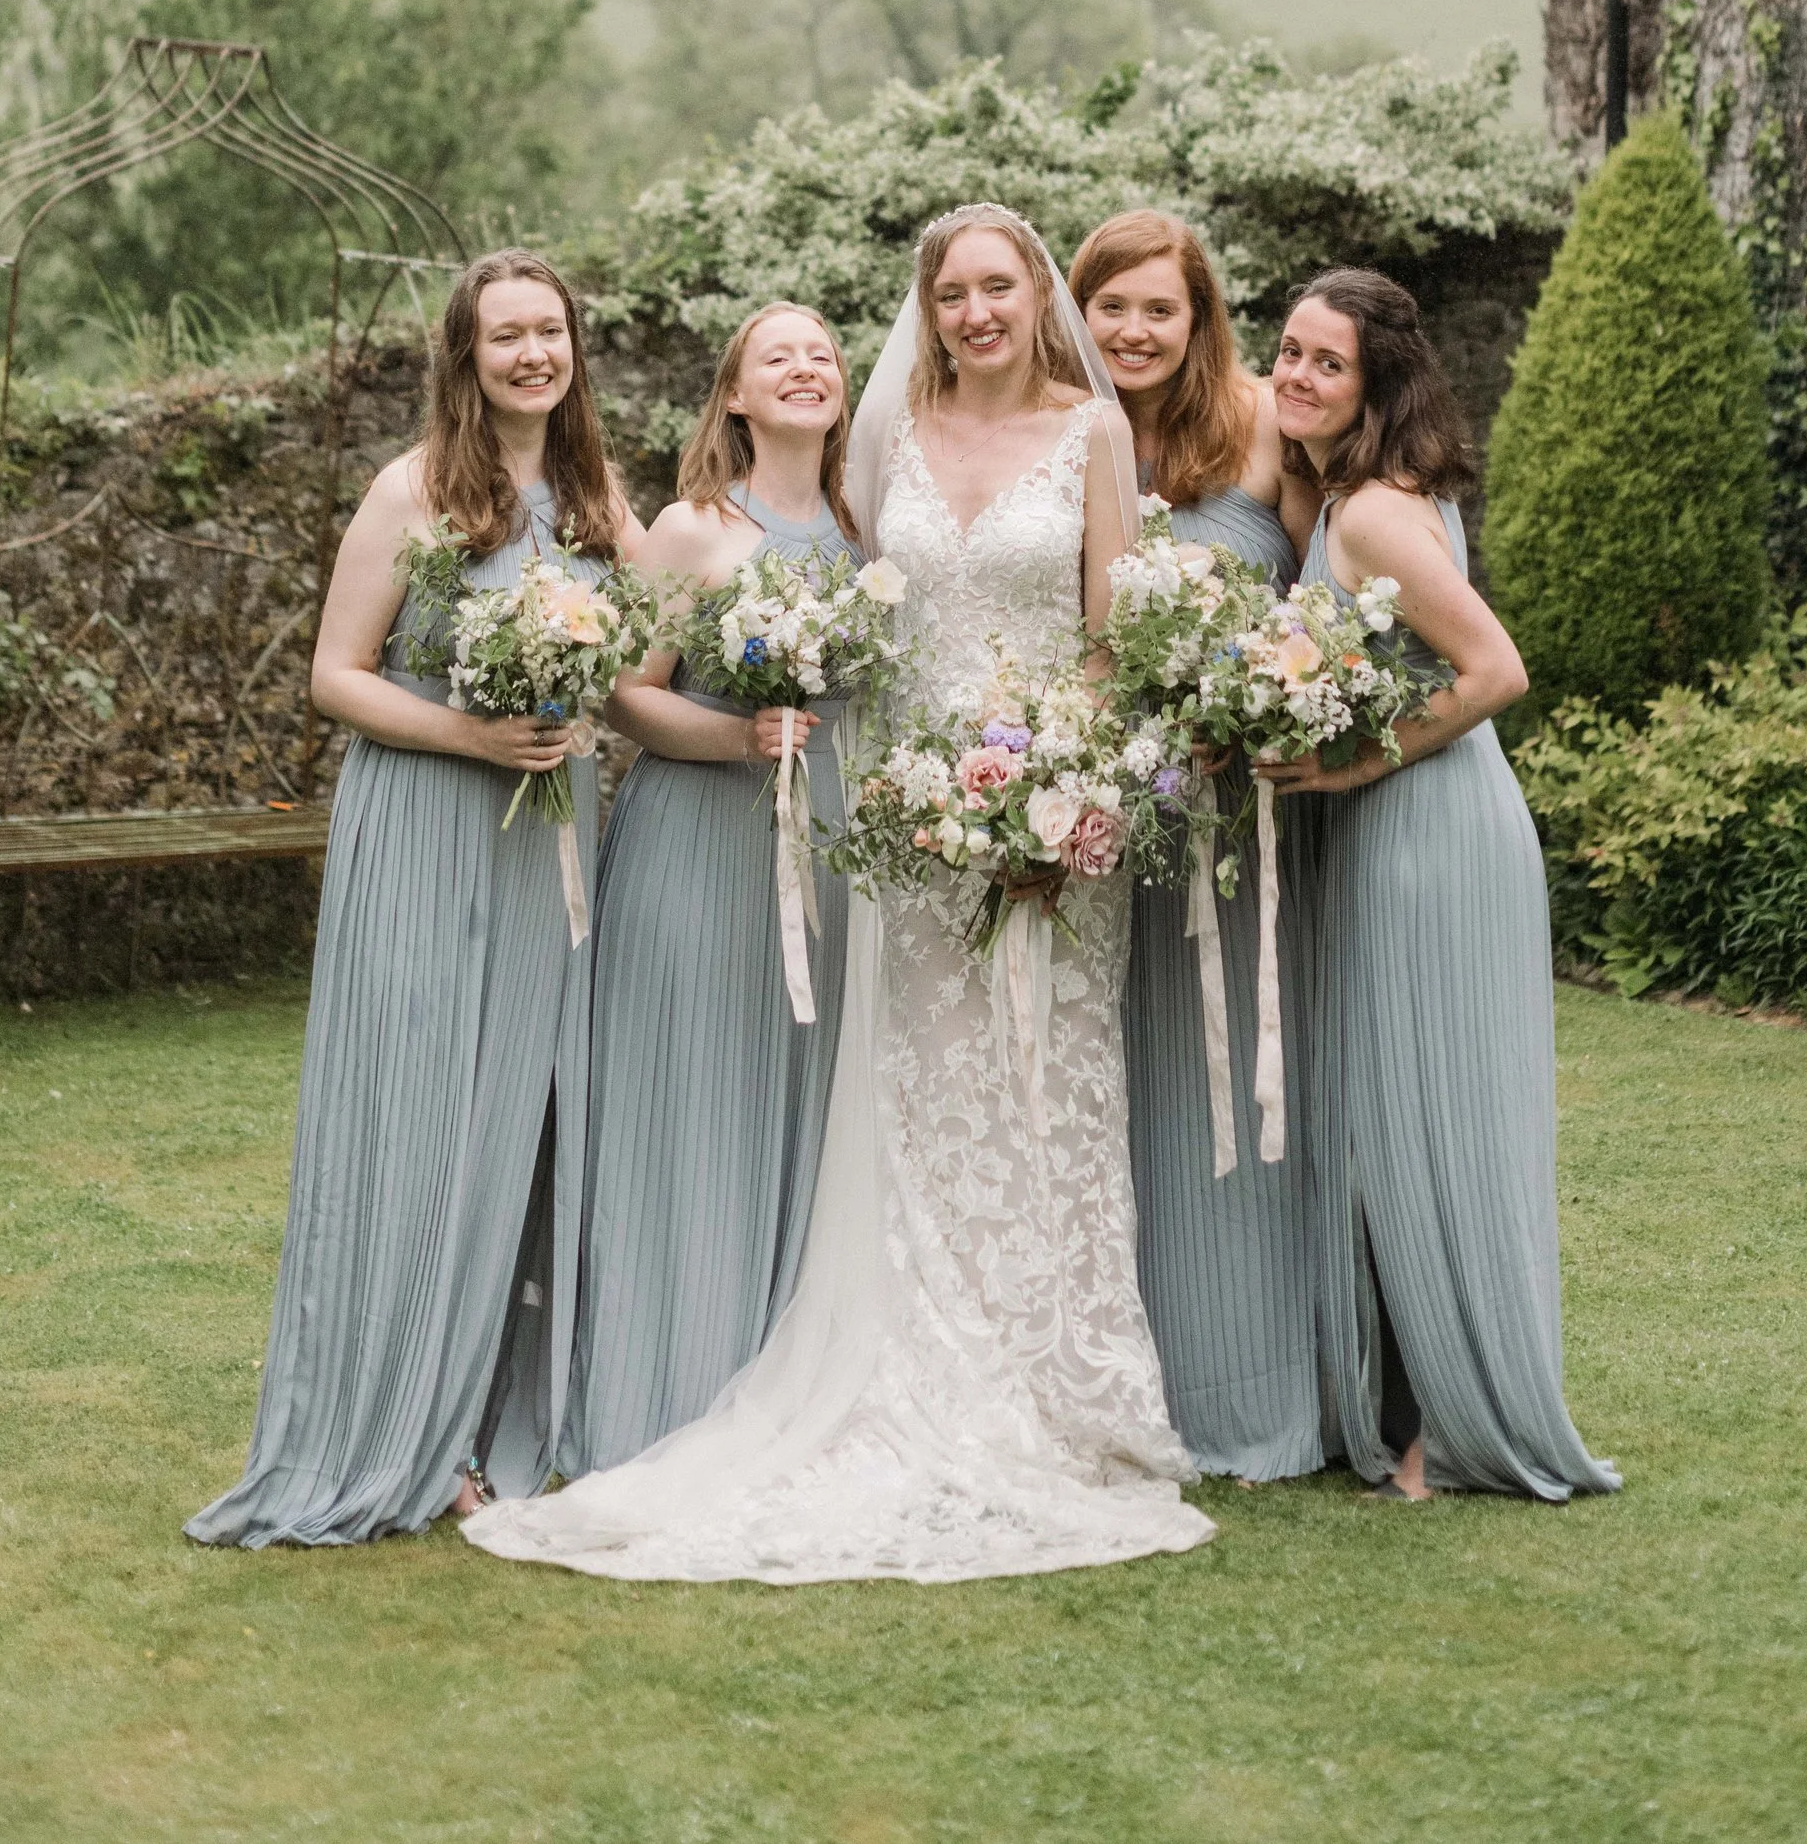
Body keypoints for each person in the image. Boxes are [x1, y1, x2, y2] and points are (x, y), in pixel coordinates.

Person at [466, 202, 1213, 1584]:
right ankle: (909, 1361)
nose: (978, 312)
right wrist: (939, 789)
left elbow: (1113, 642)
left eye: (1001, 288)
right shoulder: (894, 443)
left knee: (1053, 1085)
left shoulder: (1094, 435)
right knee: (911, 1097)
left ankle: (1064, 1392)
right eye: (955, 293)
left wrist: (1046, 781)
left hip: (1042, 821)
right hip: (901, 818)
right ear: (926, 309)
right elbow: (825, 588)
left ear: (1037, 296)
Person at [185, 249, 642, 1547]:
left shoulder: (598, 493)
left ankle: (479, 1417)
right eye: (506, 335)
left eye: (549, 331)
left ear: (574, 347)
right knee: (417, 1119)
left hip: (550, 842)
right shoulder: (414, 487)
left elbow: (652, 642)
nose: (531, 354)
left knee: (514, 1128)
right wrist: (474, 735)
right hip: (431, 827)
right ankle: (387, 1425)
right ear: (465, 353)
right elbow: (337, 674)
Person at [1268, 266, 1618, 1507]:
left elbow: (1494, 668)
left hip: (1429, 832)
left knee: (1420, 1120)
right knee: (1397, 1119)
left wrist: (1355, 759)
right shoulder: (1352, 497)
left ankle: (1438, 1438)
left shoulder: (1368, 517)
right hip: (1406, 828)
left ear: (1373, 386)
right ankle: (1413, 1414)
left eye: (1324, 364)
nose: (1294, 376)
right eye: (1288, 352)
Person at [559, 303, 857, 1474]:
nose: (803, 367)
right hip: (697, 842)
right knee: (686, 1099)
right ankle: (662, 1381)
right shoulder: (690, 528)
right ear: (733, 395)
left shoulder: (861, 525)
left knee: (798, 1102)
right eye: (774, 355)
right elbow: (625, 693)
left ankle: (782, 1375)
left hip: (824, 848)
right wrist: (738, 742)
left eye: (822, 353)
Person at [1072, 208, 1320, 1481]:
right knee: (1139, 1089)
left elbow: (1339, 589)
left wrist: (1281, 704)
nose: (1133, 330)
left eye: (1157, 308)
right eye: (1110, 306)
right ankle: (1141, 1379)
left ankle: (1268, 1384)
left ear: (1199, 315)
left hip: (1260, 812)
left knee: (1260, 1082)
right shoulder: (1068, 437)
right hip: (1120, 818)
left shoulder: (1267, 424)